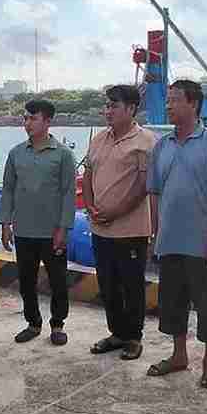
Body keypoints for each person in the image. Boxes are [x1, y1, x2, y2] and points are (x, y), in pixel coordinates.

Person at [146, 78, 207, 388]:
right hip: (170, 241)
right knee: (173, 302)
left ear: (193, 104)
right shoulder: (162, 146)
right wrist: (155, 234)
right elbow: (154, 192)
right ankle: (179, 355)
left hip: (202, 244)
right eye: (167, 100)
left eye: (174, 100)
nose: (168, 105)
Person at [81, 84, 156, 360]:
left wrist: (116, 212)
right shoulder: (99, 139)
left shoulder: (147, 141)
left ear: (131, 109)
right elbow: (88, 175)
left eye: (113, 106)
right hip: (100, 228)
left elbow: (143, 185)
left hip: (131, 230)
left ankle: (134, 337)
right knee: (108, 285)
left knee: (132, 286)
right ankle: (117, 333)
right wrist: (89, 207)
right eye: (107, 105)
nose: (107, 111)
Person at [0, 97, 79, 345]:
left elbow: (69, 193)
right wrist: (5, 223)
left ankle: (57, 324)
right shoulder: (16, 154)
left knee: (57, 280)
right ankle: (33, 323)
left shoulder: (63, 155)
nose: (28, 123)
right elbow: (8, 189)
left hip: (52, 231)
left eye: (33, 118)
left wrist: (63, 228)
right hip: (23, 230)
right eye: (26, 118)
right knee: (26, 280)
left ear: (47, 121)